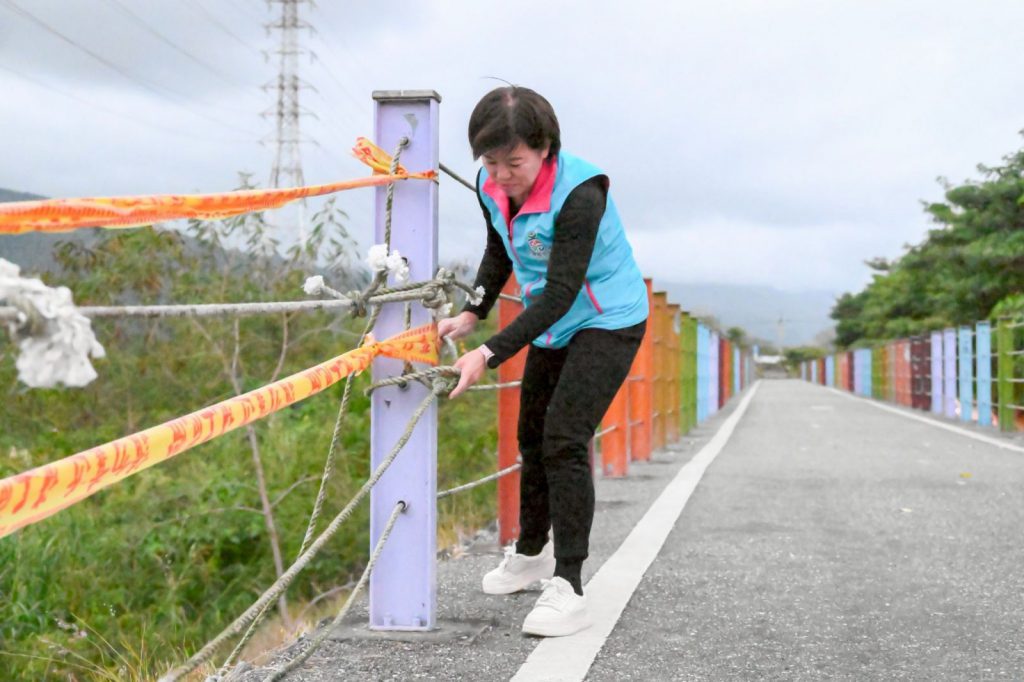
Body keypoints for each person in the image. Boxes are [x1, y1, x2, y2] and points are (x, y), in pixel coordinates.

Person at [439, 86, 648, 637]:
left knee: (563, 438)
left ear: (546, 149)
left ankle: (570, 585)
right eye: (490, 162)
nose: (502, 175)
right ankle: (530, 552)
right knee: (530, 437)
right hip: (554, 321)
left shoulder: (581, 192)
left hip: (607, 318)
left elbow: (560, 290)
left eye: (515, 162)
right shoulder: (491, 185)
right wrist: (473, 313)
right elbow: (498, 248)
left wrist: (487, 353)